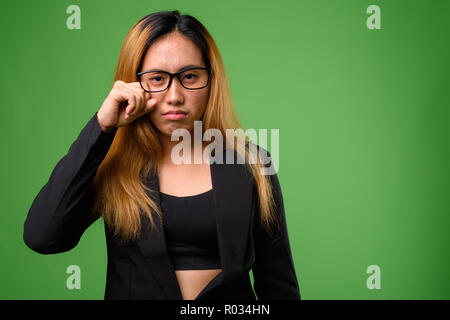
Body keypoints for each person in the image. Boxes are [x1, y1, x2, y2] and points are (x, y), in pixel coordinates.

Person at [23, 10, 300, 300]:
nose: (174, 96)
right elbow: (42, 236)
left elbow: (279, 285)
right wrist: (101, 126)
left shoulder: (251, 163)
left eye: (189, 76)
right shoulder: (114, 164)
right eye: (157, 79)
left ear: (210, 81)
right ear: (132, 83)